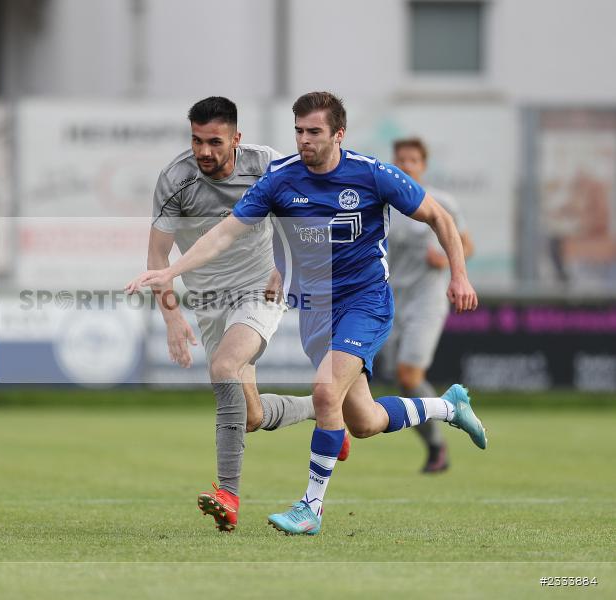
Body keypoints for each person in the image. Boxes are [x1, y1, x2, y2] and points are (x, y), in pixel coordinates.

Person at [127, 91, 486, 537]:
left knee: (322, 393)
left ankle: (310, 507)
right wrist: (172, 271)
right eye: (298, 131)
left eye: (314, 132)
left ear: (339, 134)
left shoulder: (372, 174)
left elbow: (439, 217)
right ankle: (447, 406)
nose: (304, 141)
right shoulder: (281, 178)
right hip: (315, 310)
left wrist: (460, 276)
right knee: (365, 420)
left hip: (366, 302)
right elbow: (225, 234)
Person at [147, 96, 348, 533]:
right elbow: (158, 259)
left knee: (223, 367)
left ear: (236, 139)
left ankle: (228, 495)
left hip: (262, 289)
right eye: (197, 141)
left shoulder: (267, 165)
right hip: (208, 302)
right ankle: (325, 412)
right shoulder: (175, 180)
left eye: (215, 142)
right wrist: (172, 317)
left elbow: (305, 218)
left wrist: (285, 268)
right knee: (250, 416)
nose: (204, 151)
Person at [383, 138, 474, 473]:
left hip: (427, 300)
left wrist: (450, 261)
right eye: (400, 159)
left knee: (409, 374)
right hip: (391, 299)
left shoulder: (441, 202)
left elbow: (467, 245)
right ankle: (436, 442)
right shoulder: (385, 204)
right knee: (401, 380)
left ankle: (442, 431)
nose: (406, 165)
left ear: (423, 165)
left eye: (413, 160)